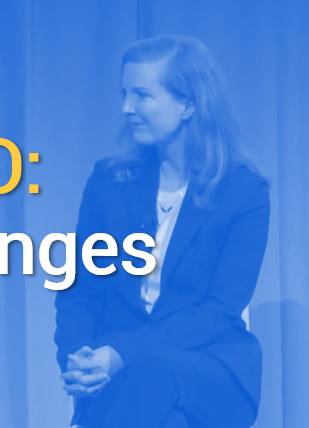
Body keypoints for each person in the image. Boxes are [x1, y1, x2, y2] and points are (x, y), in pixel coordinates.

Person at [54, 35, 269, 428]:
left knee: (153, 370)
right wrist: (80, 357)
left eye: (142, 95)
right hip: (124, 375)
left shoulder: (243, 191)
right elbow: (80, 289)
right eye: (124, 94)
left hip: (209, 366)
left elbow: (217, 312)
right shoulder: (108, 181)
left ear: (188, 104)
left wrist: (122, 352)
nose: (126, 107)